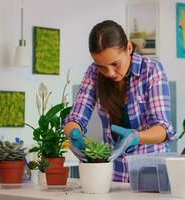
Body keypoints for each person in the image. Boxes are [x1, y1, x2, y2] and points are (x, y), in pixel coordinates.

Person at [63, 20, 175, 182]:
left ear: (129, 48)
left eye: (115, 64)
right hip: (114, 175)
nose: (109, 73)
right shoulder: (94, 73)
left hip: (151, 174)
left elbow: (163, 129)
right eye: (101, 66)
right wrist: (73, 134)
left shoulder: (151, 70)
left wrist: (136, 136)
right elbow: (76, 118)